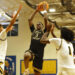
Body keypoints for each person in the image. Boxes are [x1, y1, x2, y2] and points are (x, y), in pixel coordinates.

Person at [24, 7, 49, 75]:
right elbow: (29, 19)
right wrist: (36, 11)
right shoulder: (33, 30)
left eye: (39, 24)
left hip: (39, 54)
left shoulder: (44, 32)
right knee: (26, 55)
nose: (38, 24)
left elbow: (45, 19)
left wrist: (44, 9)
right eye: (37, 24)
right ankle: (26, 70)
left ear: (42, 26)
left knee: (37, 73)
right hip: (31, 50)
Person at [0, 5, 22, 75]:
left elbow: (10, 27)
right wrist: (18, 12)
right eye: (2, 27)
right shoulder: (2, 34)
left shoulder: (2, 34)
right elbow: (11, 24)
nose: (3, 28)